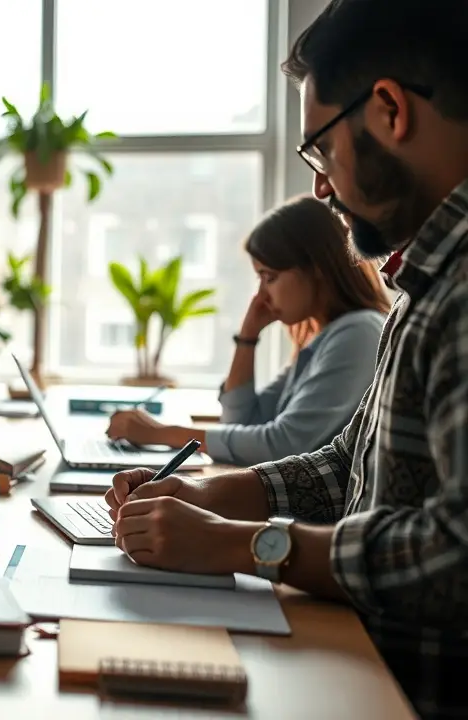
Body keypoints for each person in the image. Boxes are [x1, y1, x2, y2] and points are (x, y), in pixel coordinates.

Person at [104, 2, 468, 716]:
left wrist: (246, 545)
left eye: (321, 151)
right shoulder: (427, 282)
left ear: (389, 109)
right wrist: (211, 498)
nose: (322, 187)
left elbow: (457, 554)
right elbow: (345, 469)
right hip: (357, 668)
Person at [106, 195, 390, 465]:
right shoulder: (323, 340)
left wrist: (161, 434)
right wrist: (248, 337)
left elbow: (283, 446)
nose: (261, 296)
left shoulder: (358, 334)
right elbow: (240, 422)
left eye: (270, 277)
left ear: (316, 267)